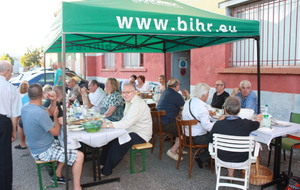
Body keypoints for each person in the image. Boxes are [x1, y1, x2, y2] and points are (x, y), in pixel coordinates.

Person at [21, 84, 84, 190]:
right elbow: (55, 132)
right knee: (79, 156)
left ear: (28, 95)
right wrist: (55, 117)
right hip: (43, 150)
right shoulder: (39, 113)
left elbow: (49, 111)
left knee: (66, 144)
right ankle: (77, 187)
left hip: (36, 147)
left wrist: (53, 101)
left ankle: (57, 174)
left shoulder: (26, 107)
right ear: (42, 94)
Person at [99, 83, 152, 176]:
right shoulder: (129, 102)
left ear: (135, 92)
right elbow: (125, 121)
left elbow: (126, 123)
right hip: (131, 130)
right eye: (123, 92)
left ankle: (106, 171)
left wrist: (107, 125)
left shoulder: (137, 104)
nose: (125, 94)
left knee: (118, 143)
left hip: (141, 134)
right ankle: (102, 163)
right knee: (110, 139)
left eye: (128, 92)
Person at [207, 96, 262, 177]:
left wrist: (219, 121)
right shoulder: (247, 124)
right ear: (239, 110)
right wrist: (258, 119)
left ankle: (230, 175)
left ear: (225, 110)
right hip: (242, 159)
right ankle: (231, 175)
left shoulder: (219, 124)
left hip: (222, 158)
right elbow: (257, 124)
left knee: (229, 143)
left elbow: (210, 139)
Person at [180, 83, 214, 168]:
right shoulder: (201, 107)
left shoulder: (189, 101)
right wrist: (219, 123)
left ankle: (204, 158)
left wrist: (207, 113)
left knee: (211, 135)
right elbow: (208, 127)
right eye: (208, 94)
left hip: (186, 136)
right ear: (203, 95)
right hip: (196, 139)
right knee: (217, 138)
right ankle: (203, 158)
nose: (208, 96)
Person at [0, 60, 21, 190]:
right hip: (3, 122)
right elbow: (14, 113)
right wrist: (14, 131)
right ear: (6, 71)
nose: (11, 75)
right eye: (11, 72)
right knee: (4, 157)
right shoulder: (11, 88)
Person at [156, 78, 185, 161]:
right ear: (176, 86)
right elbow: (184, 109)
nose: (180, 86)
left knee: (179, 126)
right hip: (166, 123)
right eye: (179, 85)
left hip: (158, 122)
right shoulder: (176, 95)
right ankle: (173, 150)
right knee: (184, 129)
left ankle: (178, 147)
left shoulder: (165, 92)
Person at [15, 81, 30, 150]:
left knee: (20, 126)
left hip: (21, 114)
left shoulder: (17, 95)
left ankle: (22, 143)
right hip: (29, 113)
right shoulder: (28, 95)